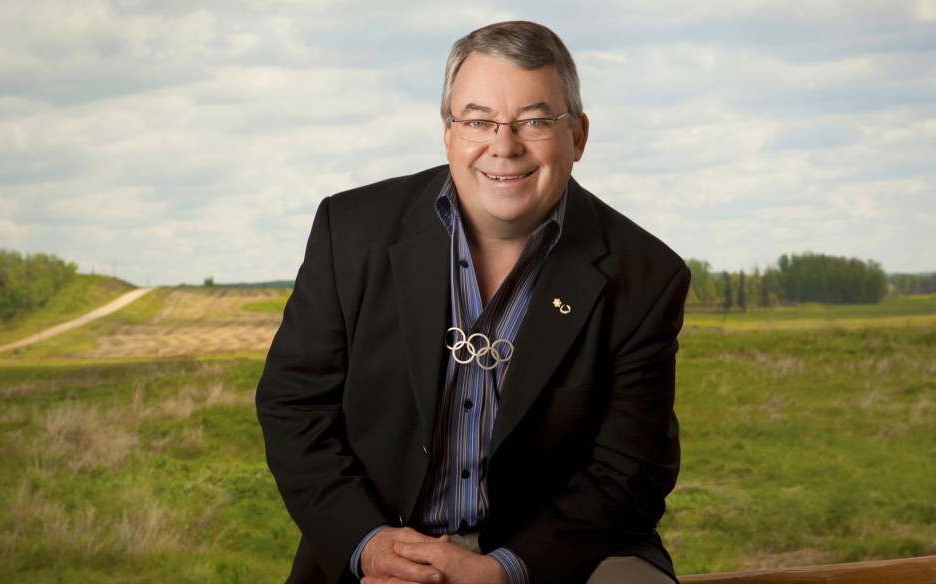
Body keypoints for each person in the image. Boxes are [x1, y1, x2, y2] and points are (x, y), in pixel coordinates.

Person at [256, 20, 690, 584]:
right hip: (385, 544)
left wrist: (504, 571)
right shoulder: (351, 231)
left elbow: (628, 471)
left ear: (578, 136)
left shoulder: (645, 275)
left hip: (562, 554)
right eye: (479, 120)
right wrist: (369, 546)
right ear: (448, 131)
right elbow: (294, 408)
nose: (503, 146)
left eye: (534, 121)